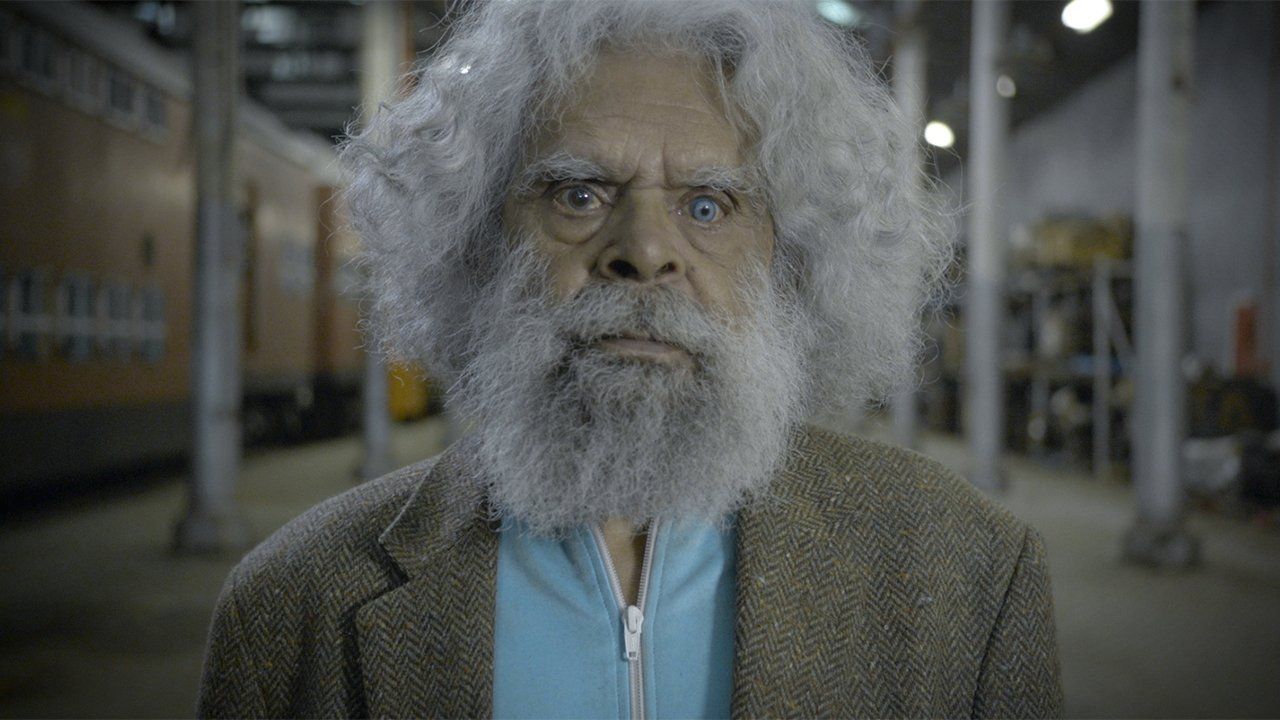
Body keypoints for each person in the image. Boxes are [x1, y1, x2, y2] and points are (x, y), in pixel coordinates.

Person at [197, 1, 1063, 717]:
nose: (645, 251)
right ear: (478, 244)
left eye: (709, 205)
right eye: (579, 195)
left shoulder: (972, 575)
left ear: (790, 260)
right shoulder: (293, 608)